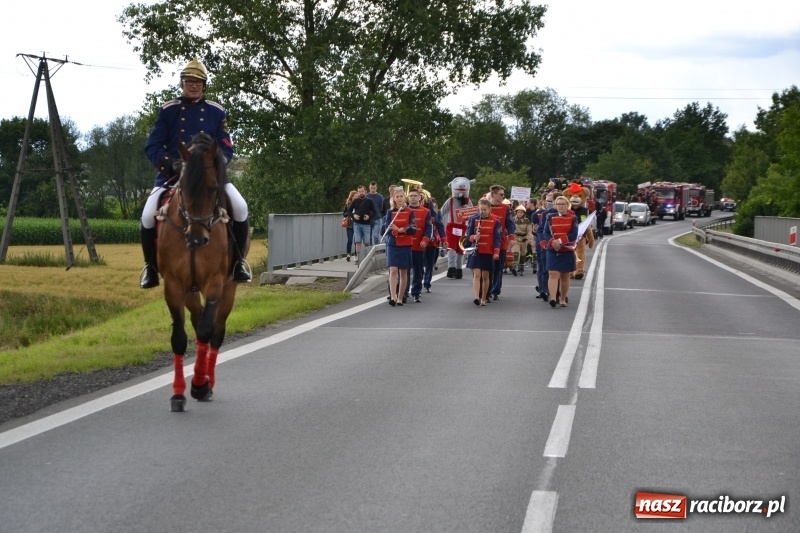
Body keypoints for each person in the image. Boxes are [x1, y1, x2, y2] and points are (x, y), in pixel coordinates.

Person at [140, 57, 251, 288]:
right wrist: (171, 164)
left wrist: (213, 164)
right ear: (182, 84)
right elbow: (153, 146)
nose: (193, 86)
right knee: (147, 214)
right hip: (173, 176)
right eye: (189, 81)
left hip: (210, 175)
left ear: (204, 86)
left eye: (198, 82)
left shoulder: (216, 112)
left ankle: (239, 262)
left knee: (240, 207)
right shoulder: (168, 111)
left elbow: (227, 147)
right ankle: (150, 267)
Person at [541, 195, 579, 308]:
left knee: (565, 276)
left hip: (566, 249)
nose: (561, 206)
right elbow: (545, 233)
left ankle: (562, 299)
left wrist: (560, 241)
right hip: (553, 249)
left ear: (567, 205)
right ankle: (553, 298)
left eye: (563, 204)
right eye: (558, 204)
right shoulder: (549, 217)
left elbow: (574, 234)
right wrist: (553, 242)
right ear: (555, 206)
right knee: (553, 273)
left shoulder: (573, 218)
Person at [465, 198, 501, 306]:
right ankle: (476, 297)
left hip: (488, 251)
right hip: (476, 250)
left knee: (485, 275)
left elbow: (497, 238)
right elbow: (468, 236)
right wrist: (473, 237)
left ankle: (484, 298)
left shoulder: (496, 220)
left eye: (485, 210)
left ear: (489, 209)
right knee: (476, 274)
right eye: (481, 209)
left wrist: (496, 251)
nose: (482, 212)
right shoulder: (473, 219)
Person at [383, 188, 416, 306]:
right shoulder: (389, 212)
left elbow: (413, 227)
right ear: (394, 199)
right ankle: (393, 296)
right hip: (393, 244)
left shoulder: (410, 211)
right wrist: (395, 232)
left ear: (404, 197)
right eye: (397, 197)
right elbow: (387, 228)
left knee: (403, 272)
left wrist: (400, 230)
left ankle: (401, 297)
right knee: (393, 270)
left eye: (401, 196)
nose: (400, 199)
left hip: (405, 244)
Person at [488, 185, 516, 300]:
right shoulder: (485, 206)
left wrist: (512, 237)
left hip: (501, 241)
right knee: (488, 268)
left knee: (498, 267)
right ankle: (486, 290)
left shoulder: (505, 208)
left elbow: (510, 224)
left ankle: (496, 290)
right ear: (494, 194)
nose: (503, 196)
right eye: (501, 194)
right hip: (487, 242)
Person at [406, 188, 432, 302]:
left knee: (418, 270)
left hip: (419, 246)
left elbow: (428, 228)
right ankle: (404, 292)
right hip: (406, 245)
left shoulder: (426, 211)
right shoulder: (403, 210)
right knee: (404, 270)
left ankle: (416, 292)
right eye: (411, 195)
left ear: (419, 198)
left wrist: (425, 240)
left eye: (415, 196)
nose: (412, 197)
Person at [423, 196, 446, 293]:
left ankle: (427, 283)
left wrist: (444, 239)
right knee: (419, 265)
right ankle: (418, 284)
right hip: (418, 241)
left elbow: (440, 224)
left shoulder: (434, 211)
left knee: (429, 264)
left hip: (432, 241)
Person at [349, 185, 377, 260]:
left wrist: (369, 217)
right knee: (357, 241)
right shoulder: (355, 201)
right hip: (357, 224)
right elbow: (349, 211)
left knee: (366, 242)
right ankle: (358, 257)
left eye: (362, 191)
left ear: (365, 192)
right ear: (358, 192)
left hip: (366, 224)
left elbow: (374, 212)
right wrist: (353, 215)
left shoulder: (369, 201)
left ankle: (366, 258)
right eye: (359, 191)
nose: (361, 193)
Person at [512, 205, 533, 276]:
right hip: (516, 238)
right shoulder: (513, 220)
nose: (520, 214)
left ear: (524, 213)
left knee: (523, 254)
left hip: (524, 238)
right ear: (516, 213)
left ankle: (521, 268)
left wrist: (529, 238)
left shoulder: (527, 221)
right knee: (516, 251)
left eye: (521, 212)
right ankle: (515, 266)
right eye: (518, 212)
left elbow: (529, 231)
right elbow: (511, 229)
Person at [366, 181, 385, 246]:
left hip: (377, 218)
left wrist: (377, 213)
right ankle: (370, 250)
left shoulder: (380, 197)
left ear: (376, 188)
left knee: (376, 236)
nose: (373, 189)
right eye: (371, 188)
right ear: (369, 187)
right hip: (368, 219)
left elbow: (381, 207)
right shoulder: (366, 196)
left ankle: (377, 249)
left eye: (374, 188)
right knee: (369, 237)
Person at [342, 190, 357, 261]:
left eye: (357, 196)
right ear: (352, 197)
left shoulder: (359, 203)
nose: (356, 197)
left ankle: (356, 255)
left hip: (357, 224)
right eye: (355, 196)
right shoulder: (348, 204)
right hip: (350, 225)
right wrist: (349, 213)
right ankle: (348, 254)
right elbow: (344, 213)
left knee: (356, 241)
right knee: (350, 240)